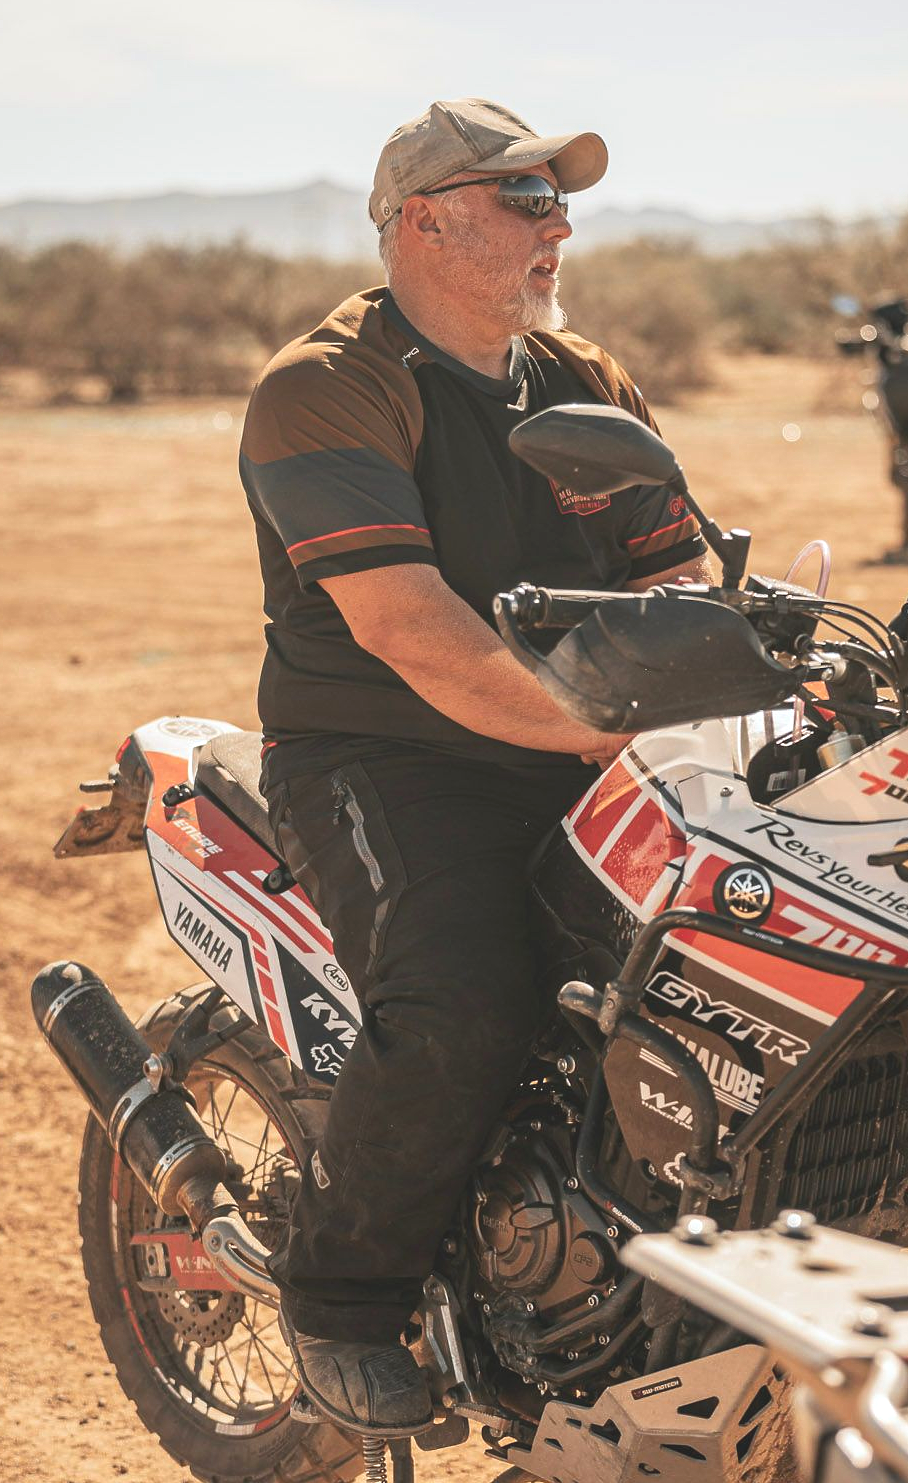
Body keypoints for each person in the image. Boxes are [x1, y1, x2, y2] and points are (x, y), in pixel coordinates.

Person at [238, 98, 714, 1433]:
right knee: (466, 992)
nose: (564, 225)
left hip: (584, 739)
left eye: (562, 200)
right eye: (529, 199)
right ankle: (341, 1296)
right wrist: (602, 730)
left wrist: (738, 647)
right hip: (385, 754)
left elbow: (674, 572)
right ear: (427, 223)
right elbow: (405, 626)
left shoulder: (587, 379)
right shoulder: (326, 384)